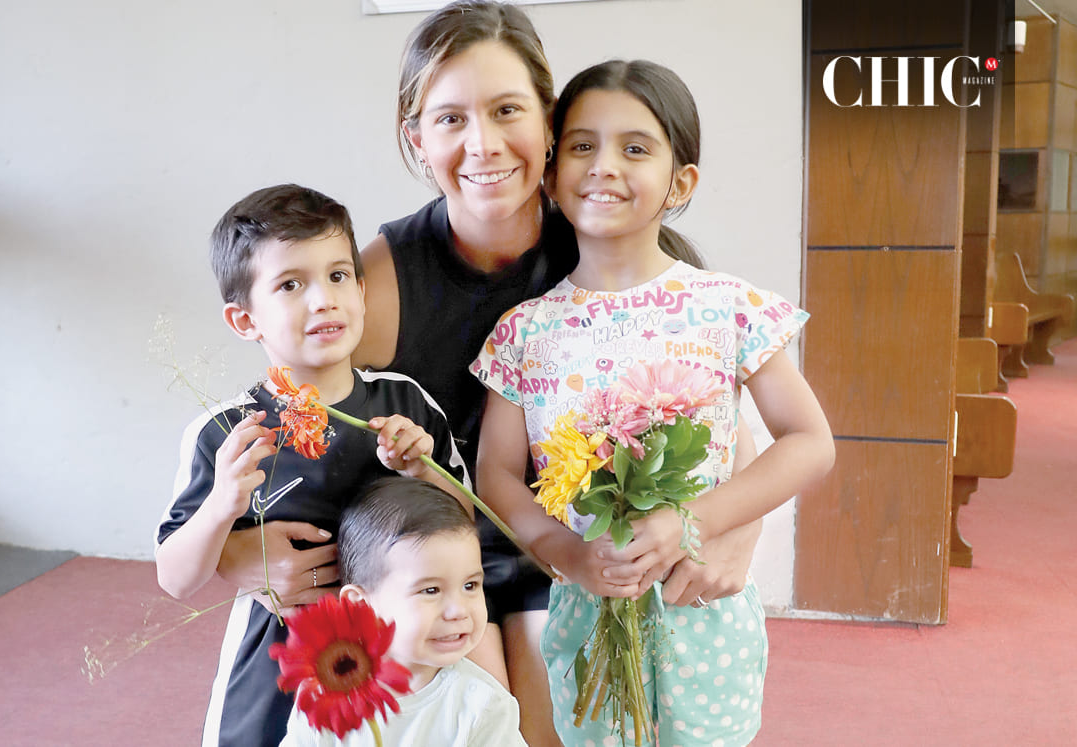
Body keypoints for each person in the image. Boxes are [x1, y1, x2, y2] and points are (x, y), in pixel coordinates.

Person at [218, 5, 764, 745]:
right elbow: (310, 429)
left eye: (508, 110)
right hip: (429, 555)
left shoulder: (615, 238)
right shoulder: (377, 284)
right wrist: (236, 553)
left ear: (548, 120)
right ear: (418, 139)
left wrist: (740, 526)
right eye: (449, 120)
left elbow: (719, 419)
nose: (483, 144)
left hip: (571, 550)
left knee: (552, 714)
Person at [473, 60, 836, 745]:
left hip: (703, 609)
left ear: (681, 182)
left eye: (635, 148)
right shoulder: (523, 331)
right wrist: (565, 551)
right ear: (552, 174)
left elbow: (809, 441)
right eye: (582, 145)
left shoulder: (729, 306)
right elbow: (495, 470)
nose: (604, 164)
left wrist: (689, 522)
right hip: (586, 606)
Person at [154, 184, 470, 746]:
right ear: (244, 320)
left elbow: (467, 522)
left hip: (407, 658)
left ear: (362, 289)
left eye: (339, 275)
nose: (322, 299)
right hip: (282, 668)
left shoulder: (407, 405)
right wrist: (225, 505)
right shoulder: (227, 433)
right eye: (291, 285)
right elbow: (175, 577)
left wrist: (425, 472)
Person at [281, 477, 527, 746]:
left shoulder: (485, 706)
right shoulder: (326, 694)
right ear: (359, 605)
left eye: (470, 585)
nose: (458, 611)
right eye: (431, 590)